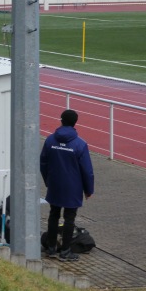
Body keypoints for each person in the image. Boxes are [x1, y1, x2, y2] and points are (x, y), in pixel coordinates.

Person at [40, 109, 94, 262]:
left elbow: (43, 163)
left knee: (53, 215)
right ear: (75, 122)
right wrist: (88, 189)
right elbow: (87, 170)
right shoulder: (80, 144)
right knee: (69, 219)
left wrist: (48, 181)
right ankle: (65, 251)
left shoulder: (50, 140)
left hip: (55, 184)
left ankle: (51, 248)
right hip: (72, 187)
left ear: (61, 120)